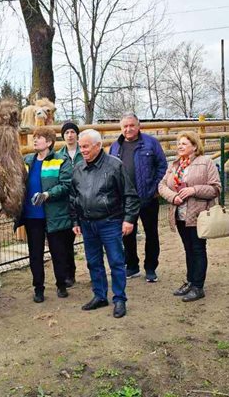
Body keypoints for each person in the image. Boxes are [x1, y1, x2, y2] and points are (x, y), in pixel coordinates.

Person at [70, 129, 140, 318]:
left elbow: (130, 194)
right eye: (80, 146)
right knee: (93, 262)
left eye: (85, 146)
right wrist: (75, 220)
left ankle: (119, 299)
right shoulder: (78, 168)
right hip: (87, 223)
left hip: (110, 222)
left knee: (117, 262)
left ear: (98, 146)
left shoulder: (114, 166)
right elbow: (73, 197)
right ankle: (100, 296)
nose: (82, 150)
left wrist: (129, 219)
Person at [158, 131, 220, 302]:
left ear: (194, 146)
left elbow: (216, 188)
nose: (180, 146)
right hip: (179, 214)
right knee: (188, 248)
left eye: (184, 143)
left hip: (197, 214)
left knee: (198, 248)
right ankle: (191, 281)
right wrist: (173, 197)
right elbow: (162, 185)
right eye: (178, 143)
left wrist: (194, 190)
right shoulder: (175, 165)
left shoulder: (206, 163)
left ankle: (198, 286)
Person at [109, 113, 167, 282]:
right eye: (125, 126)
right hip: (125, 200)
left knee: (151, 234)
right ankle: (132, 266)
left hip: (147, 197)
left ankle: (150, 268)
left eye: (131, 125)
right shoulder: (115, 147)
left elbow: (162, 166)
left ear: (138, 126)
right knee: (127, 234)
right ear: (121, 128)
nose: (128, 129)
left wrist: (155, 187)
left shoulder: (150, 143)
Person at [18, 127, 74, 303]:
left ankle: (61, 284)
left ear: (49, 142)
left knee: (59, 252)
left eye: (39, 138)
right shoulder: (27, 161)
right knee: (35, 254)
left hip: (54, 215)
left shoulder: (61, 161)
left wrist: (48, 194)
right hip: (32, 217)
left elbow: (66, 185)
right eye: (34, 138)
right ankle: (38, 288)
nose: (35, 141)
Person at [57, 121, 84, 287]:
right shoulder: (59, 155)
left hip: (85, 196)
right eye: (66, 133)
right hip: (67, 201)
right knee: (67, 241)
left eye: (72, 132)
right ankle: (69, 273)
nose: (70, 135)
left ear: (77, 134)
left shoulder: (85, 151)